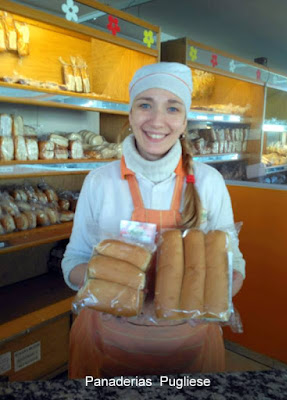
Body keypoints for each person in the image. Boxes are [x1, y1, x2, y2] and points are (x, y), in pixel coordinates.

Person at [62, 62, 245, 378]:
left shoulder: (209, 182)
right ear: (131, 115)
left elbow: (235, 267)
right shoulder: (99, 181)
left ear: (184, 121)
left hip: (189, 346)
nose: (157, 120)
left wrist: (201, 297)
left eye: (172, 108)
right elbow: (73, 262)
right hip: (106, 342)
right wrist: (116, 285)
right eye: (145, 104)